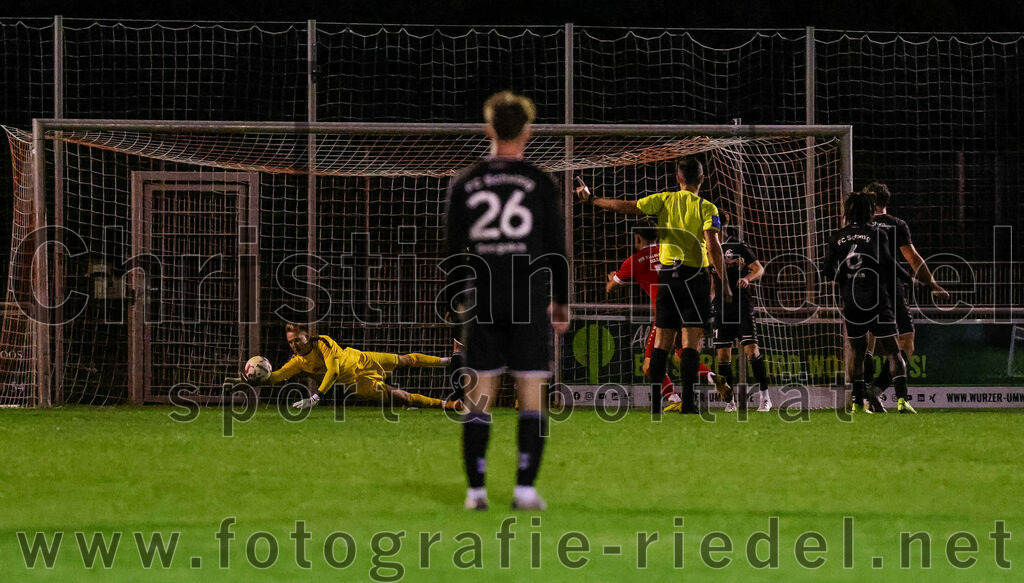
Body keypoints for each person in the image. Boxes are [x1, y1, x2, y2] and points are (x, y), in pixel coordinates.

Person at [445, 91, 570, 511]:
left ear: (488, 129)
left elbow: (451, 250)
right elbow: (556, 247)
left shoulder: (465, 181)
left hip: (482, 300)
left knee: (478, 397)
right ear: (528, 132)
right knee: (531, 393)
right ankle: (524, 489)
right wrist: (562, 302)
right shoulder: (538, 181)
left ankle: (476, 491)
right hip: (527, 302)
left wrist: (455, 297)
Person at [577, 157, 730, 415]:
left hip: (668, 278)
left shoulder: (664, 200)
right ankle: (689, 405)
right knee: (691, 343)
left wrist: (593, 200)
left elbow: (626, 206)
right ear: (702, 180)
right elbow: (713, 246)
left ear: (678, 179)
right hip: (695, 278)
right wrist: (724, 283)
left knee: (662, 342)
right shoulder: (708, 208)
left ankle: (657, 406)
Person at [604, 221, 731, 412]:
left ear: (637, 238)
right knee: (683, 354)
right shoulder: (670, 250)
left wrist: (612, 279)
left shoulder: (634, 261)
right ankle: (712, 376)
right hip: (688, 307)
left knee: (649, 366)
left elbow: (610, 288)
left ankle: (673, 398)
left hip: (665, 313)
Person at [860, 182, 950, 413]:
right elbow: (913, 258)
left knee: (865, 344)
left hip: (861, 289)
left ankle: (864, 396)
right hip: (891, 290)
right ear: (886, 201)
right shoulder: (896, 225)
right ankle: (877, 391)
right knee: (906, 343)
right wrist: (933, 284)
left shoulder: (856, 225)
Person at [236, 323, 463, 412]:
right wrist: (250, 381)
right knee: (400, 397)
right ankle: (448, 404)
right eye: (291, 342)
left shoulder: (322, 342)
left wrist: (315, 398)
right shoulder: (297, 362)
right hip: (358, 383)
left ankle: (449, 360)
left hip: (362, 360)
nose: (294, 345)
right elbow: (276, 377)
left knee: (405, 360)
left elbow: (333, 371)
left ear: (307, 336)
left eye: (298, 340)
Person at [821, 191, 909, 414]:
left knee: (857, 352)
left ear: (849, 211)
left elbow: (826, 270)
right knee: (892, 350)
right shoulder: (877, 232)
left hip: (851, 300)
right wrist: (912, 279)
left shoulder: (837, 236)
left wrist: (845, 279)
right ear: (870, 210)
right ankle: (901, 400)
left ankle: (857, 401)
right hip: (876, 298)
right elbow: (888, 263)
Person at [711, 209, 772, 412]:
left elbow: (759, 268)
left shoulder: (737, 246)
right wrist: (710, 303)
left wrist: (747, 278)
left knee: (751, 351)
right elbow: (713, 280)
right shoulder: (708, 250)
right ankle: (730, 403)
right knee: (723, 356)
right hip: (721, 309)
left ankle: (765, 398)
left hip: (741, 307)